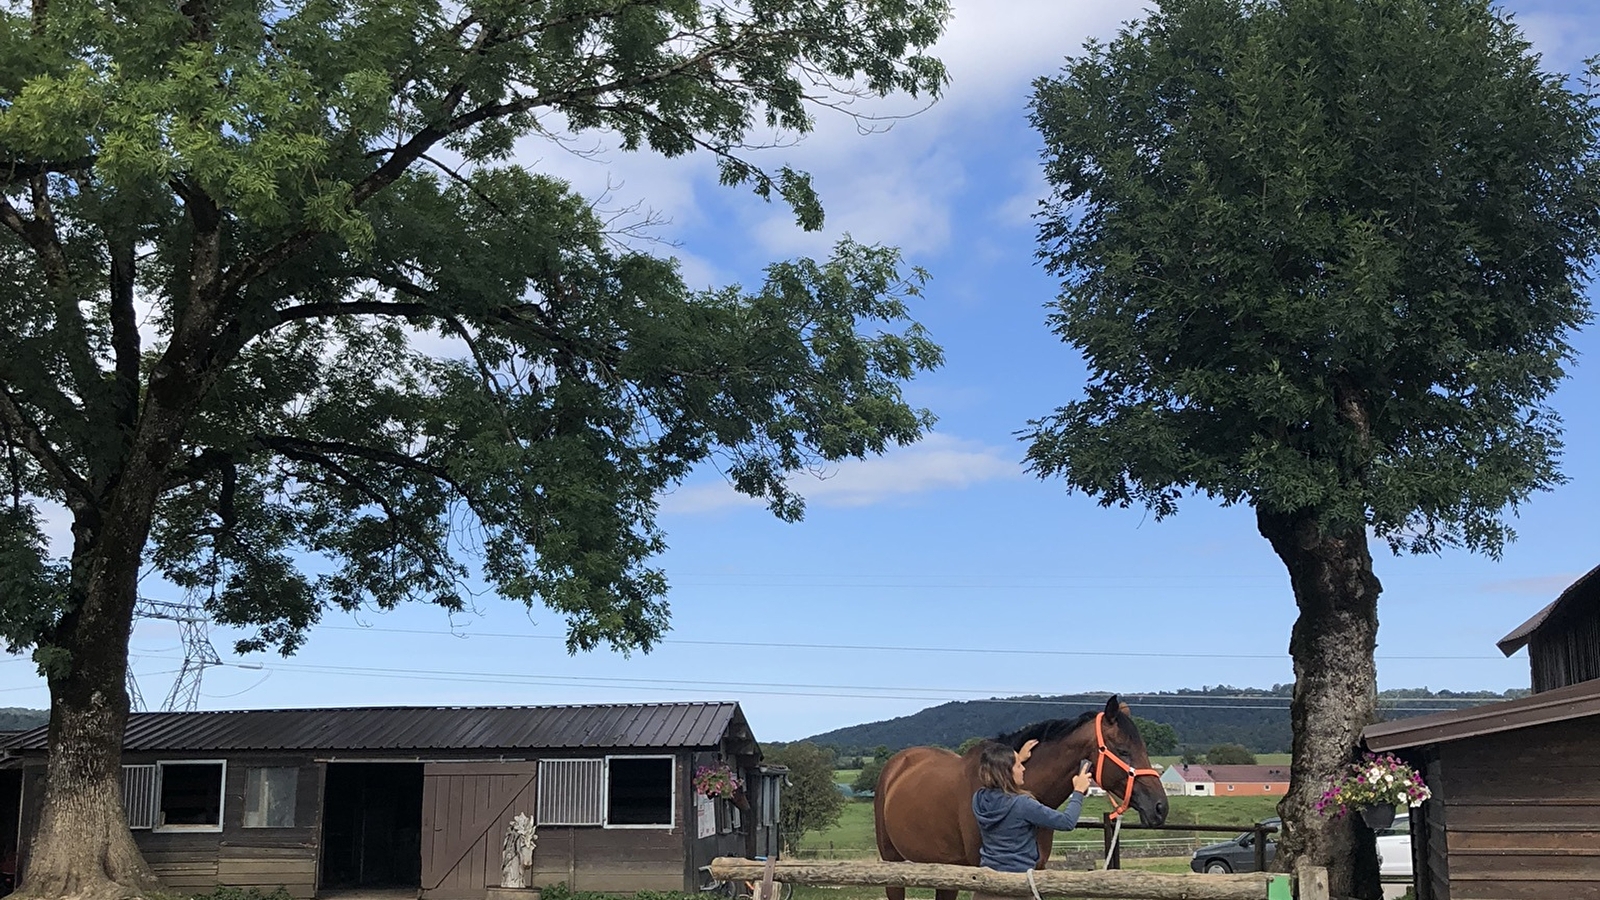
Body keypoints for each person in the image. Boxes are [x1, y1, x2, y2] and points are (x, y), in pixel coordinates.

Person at [971, 739, 1092, 882]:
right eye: (1018, 765)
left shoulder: (979, 798)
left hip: (990, 877)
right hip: (1019, 880)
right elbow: (1067, 822)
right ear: (1007, 772)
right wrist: (1078, 791)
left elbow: (1000, 783)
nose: (1023, 769)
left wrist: (1017, 758)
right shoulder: (1022, 805)